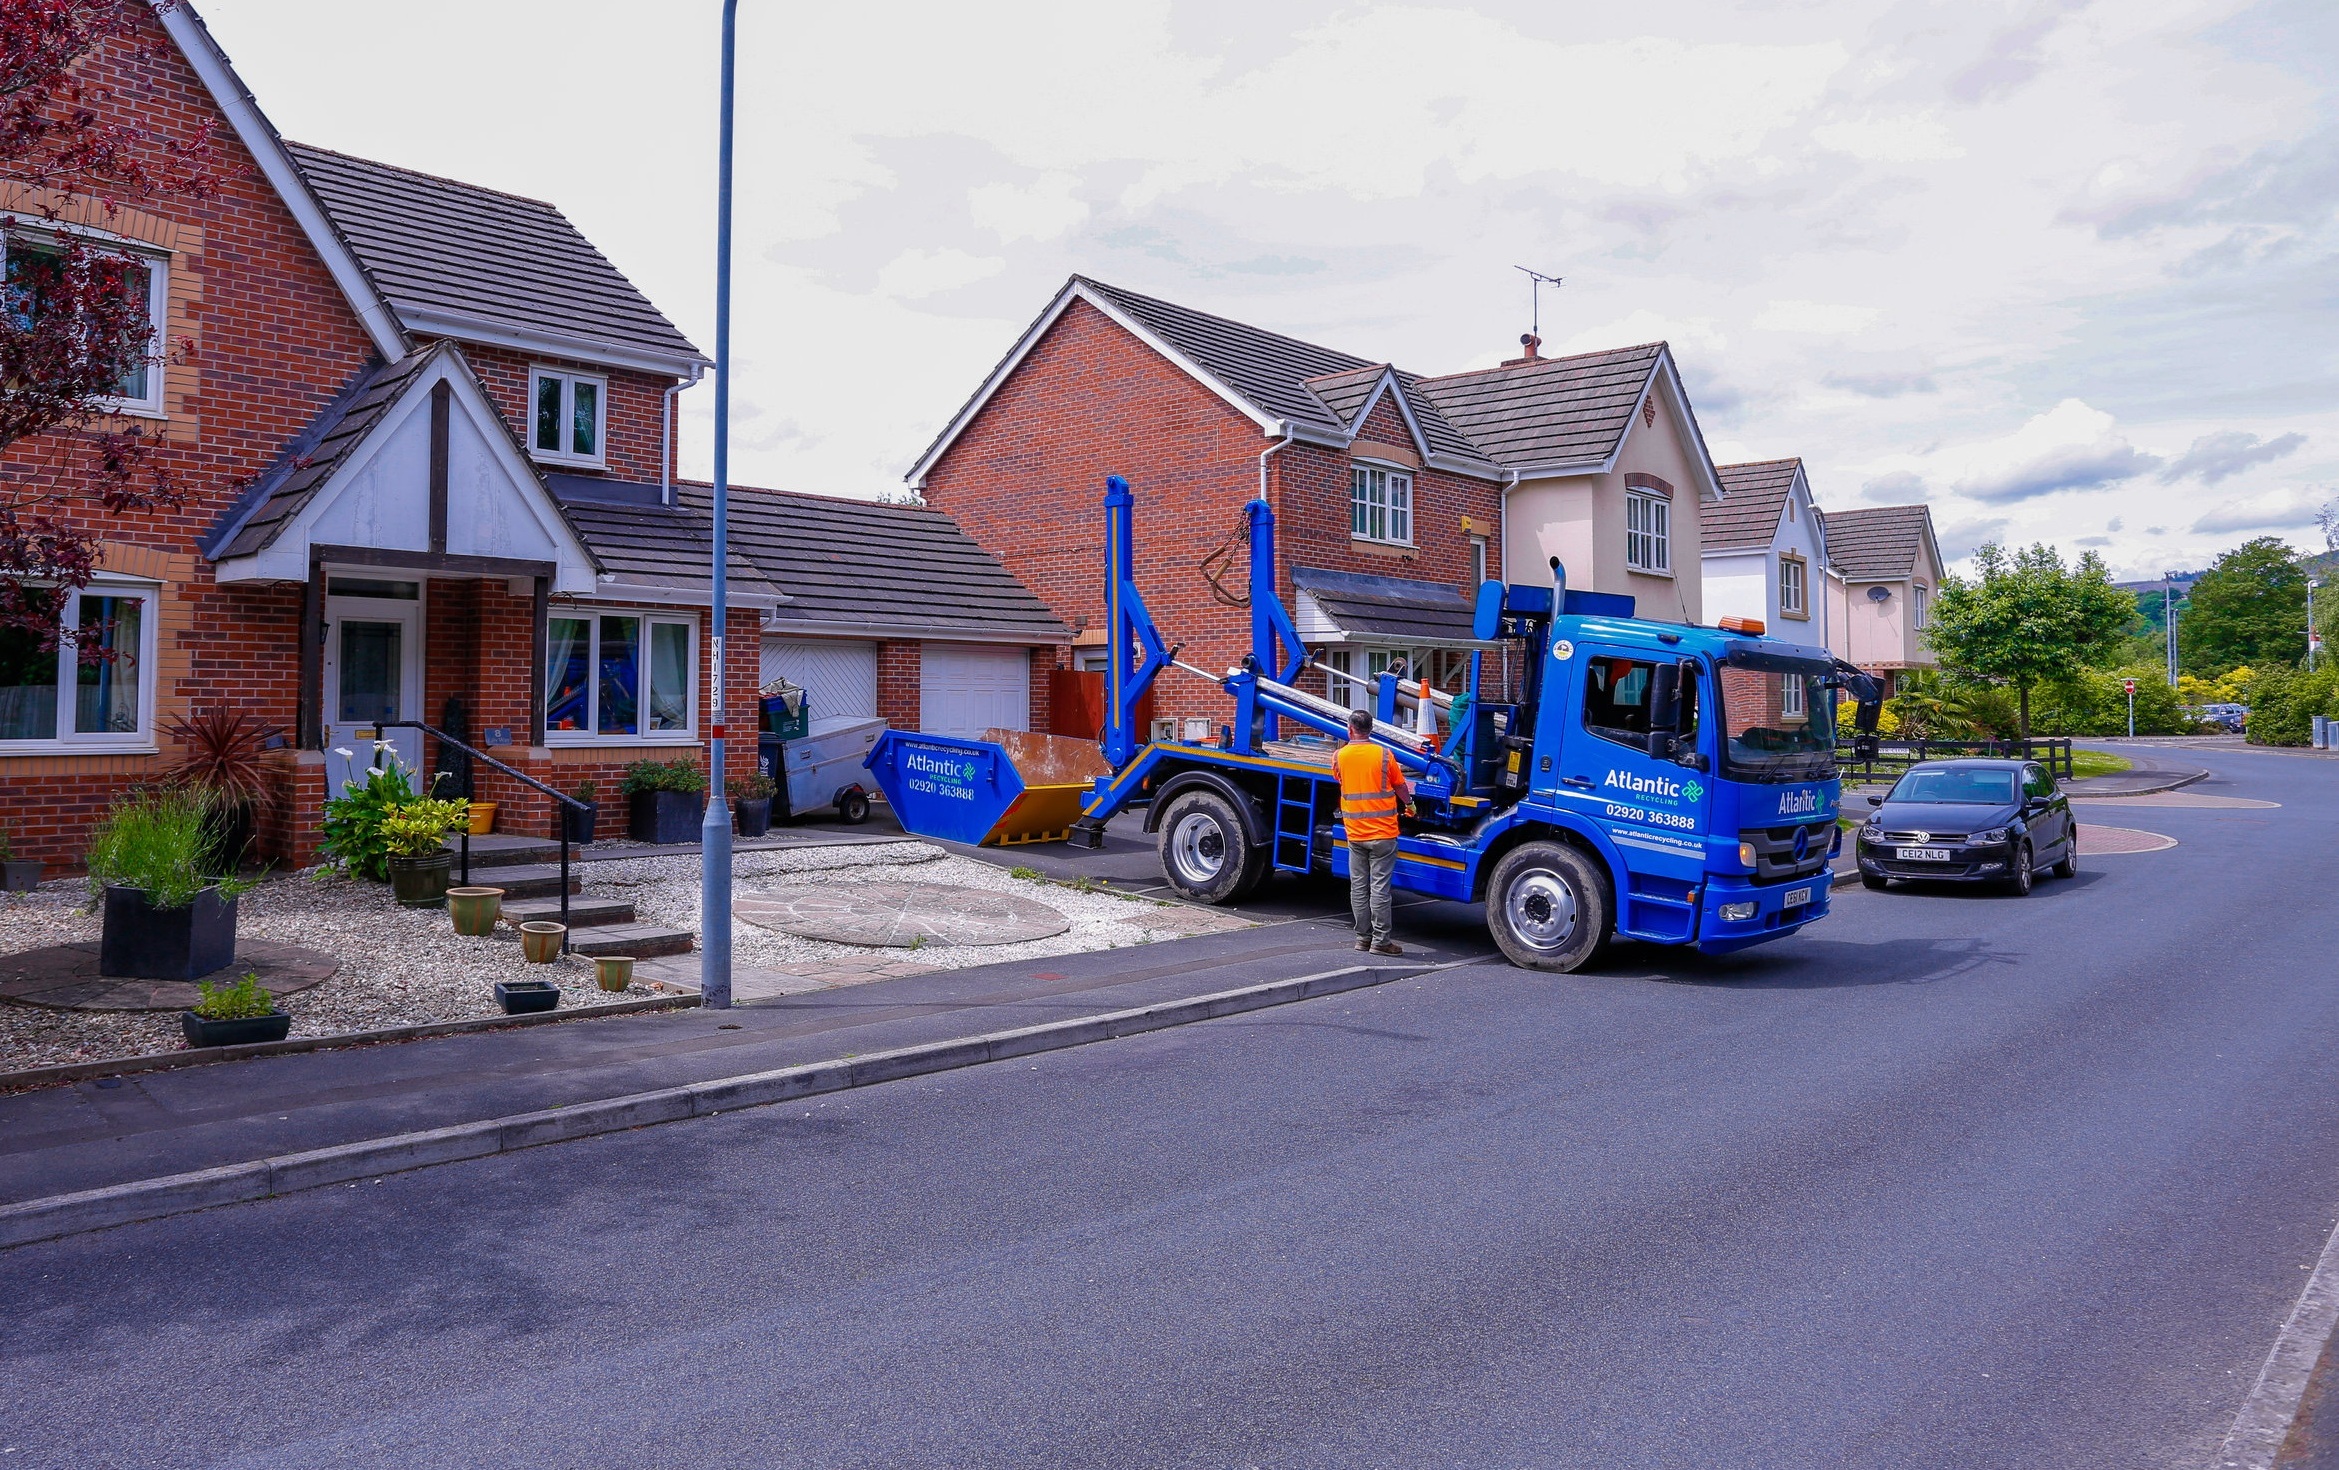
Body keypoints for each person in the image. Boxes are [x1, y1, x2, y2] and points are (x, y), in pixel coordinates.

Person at [1334, 707, 1411, 955]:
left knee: (1359, 888)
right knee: (1380, 889)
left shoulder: (1339, 756)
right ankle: (1381, 941)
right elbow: (1400, 786)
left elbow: (1341, 780)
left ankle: (1362, 939)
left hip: (1355, 833)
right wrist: (1410, 805)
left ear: (1350, 729)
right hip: (1384, 834)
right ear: (1371, 729)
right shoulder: (1385, 755)